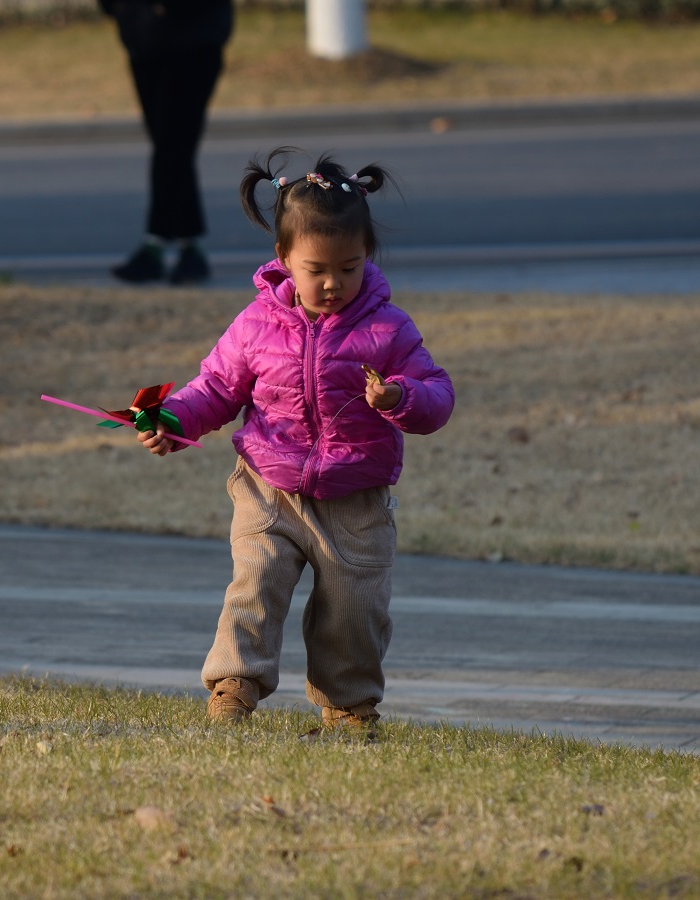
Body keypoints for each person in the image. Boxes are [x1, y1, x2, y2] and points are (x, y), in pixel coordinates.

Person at [137, 147, 455, 730]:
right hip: (268, 486)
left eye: (350, 267)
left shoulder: (388, 329)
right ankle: (234, 687)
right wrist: (174, 424)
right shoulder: (256, 325)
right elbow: (216, 388)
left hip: (356, 498)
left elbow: (438, 393)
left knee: (354, 612)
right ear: (283, 257)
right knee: (255, 583)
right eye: (318, 270)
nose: (334, 283)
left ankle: (350, 707)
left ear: (368, 258)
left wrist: (400, 398)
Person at [98, 0, 233, 284]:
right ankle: (187, 247)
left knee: (173, 147)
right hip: (146, 40)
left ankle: (158, 245)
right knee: (170, 146)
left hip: (195, 41)